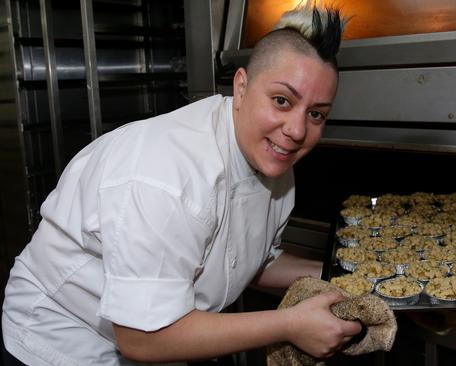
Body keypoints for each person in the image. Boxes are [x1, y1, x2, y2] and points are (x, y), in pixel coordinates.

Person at [2, 2, 362, 365]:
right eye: (282, 101)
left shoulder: (272, 158)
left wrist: (348, 277)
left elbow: (245, 260)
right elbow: (144, 338)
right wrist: (289, 325)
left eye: (316, 114)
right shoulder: (166, 175)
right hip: (57, 342)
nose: (297, 130)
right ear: (241, 86)